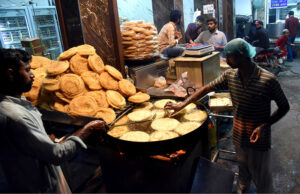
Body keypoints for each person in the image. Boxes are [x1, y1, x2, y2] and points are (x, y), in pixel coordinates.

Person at [165, 38, 290, 193]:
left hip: (259, 140)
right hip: (238, 137)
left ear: (242, 55)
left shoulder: (268, 80)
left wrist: (265, 125)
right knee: (243, 176)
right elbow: (205, 89)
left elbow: (285, 107)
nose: (226, 60)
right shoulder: (230, 76)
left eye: (229, 57)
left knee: (263, 181)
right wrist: (182, 104)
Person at [0, 48, 106, 192]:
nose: (33, 75)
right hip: (39, 186)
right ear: (10, 74)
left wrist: (42, 139)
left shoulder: (16, 102)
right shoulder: (15, 116)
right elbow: (58, 154)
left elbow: (27, 144)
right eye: (27, 70)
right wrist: (88, 128)